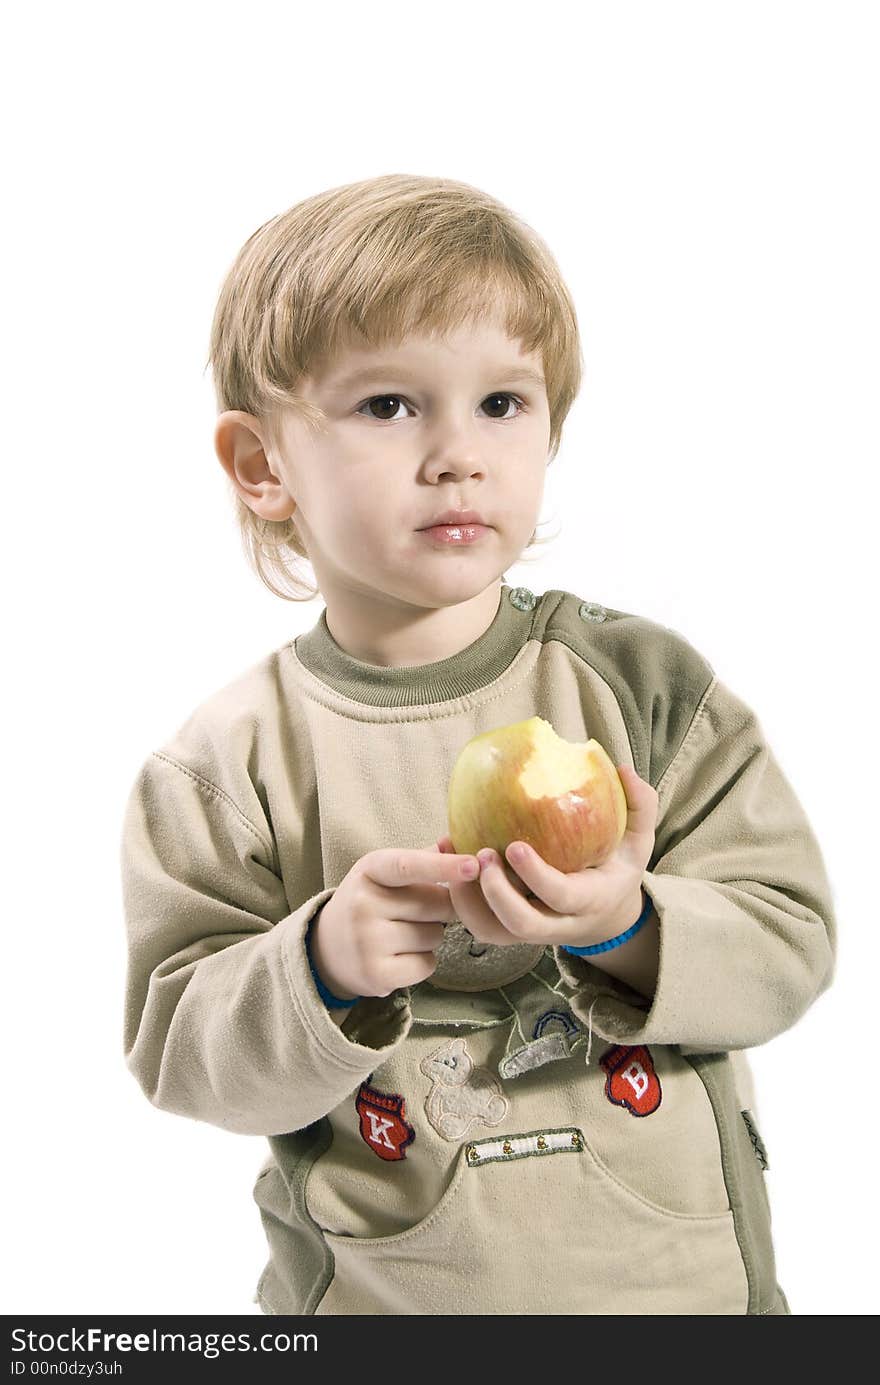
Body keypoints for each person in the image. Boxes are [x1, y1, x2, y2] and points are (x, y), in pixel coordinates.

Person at [119, 173, 836, 1316]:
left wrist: (627, 921)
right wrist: (321, 963)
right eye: (389, 405)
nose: (457, 452)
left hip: (686, 1294)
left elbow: (789, 940)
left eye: (502, 402)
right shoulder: (228, 764)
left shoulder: (646, 691)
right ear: (262, 466)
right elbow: (182, 1052)